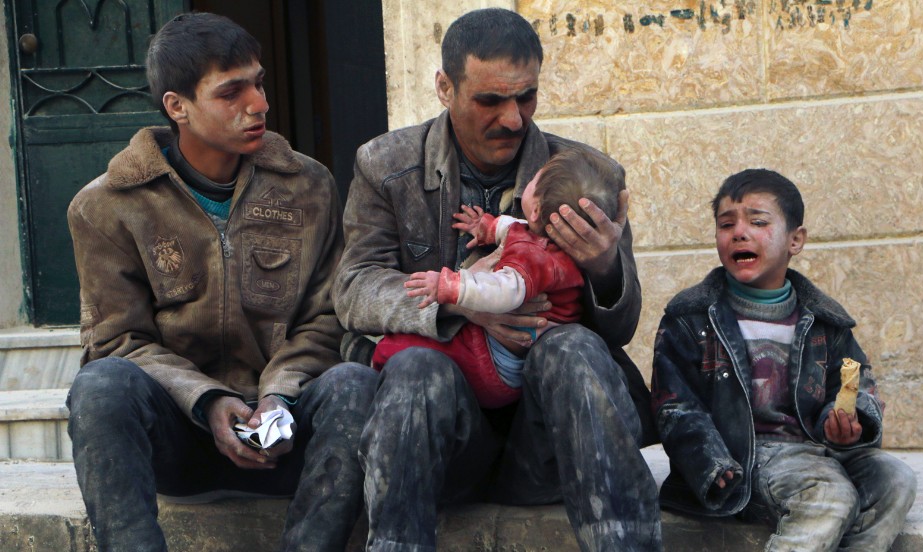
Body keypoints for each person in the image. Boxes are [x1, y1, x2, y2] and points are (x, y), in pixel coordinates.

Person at [335, 8, 661, 552]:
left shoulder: (583, 173)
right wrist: (463, 303)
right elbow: (354, 288)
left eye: (526, 97)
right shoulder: (384, 165)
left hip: (549, 439)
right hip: (443, 436)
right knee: (415, 365)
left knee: (574, 348)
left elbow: (620, 331)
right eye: (490, 100)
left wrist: (605, 266)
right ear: (445, 87)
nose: (513, 119)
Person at [65, 13, 377, 551]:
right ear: (177, 106)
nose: (258, 104)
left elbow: (328, 317)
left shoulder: (309, 185)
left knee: (356, 383)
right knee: (100, 386)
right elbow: (119, 342)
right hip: (181, 441)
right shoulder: (105, 206)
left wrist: (278, 398)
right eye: (232, 92)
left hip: (287, 430)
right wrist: (208, 401)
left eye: (258, 83)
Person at [650, 168, 917, 551]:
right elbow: (675, 407)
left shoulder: (826, 320)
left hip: (818, 451)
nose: (739, 232)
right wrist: (710, 462)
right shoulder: (692, 318)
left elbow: (856, 383)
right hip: (745, 456)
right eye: (727, 225)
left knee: (896, 480)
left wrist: (846, 422)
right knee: (828, 496)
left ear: (796, 240)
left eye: (757, 221)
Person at [371, 149, 620, 408]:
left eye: (533, 180)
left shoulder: (534, 258)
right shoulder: (547, 241)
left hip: (496, 364)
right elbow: (513, 228)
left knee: (404, 350)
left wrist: (450, 286)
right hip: (504, 352)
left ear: (535, 210)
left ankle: (376, 358)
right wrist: (485, 227)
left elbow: (503, 291)